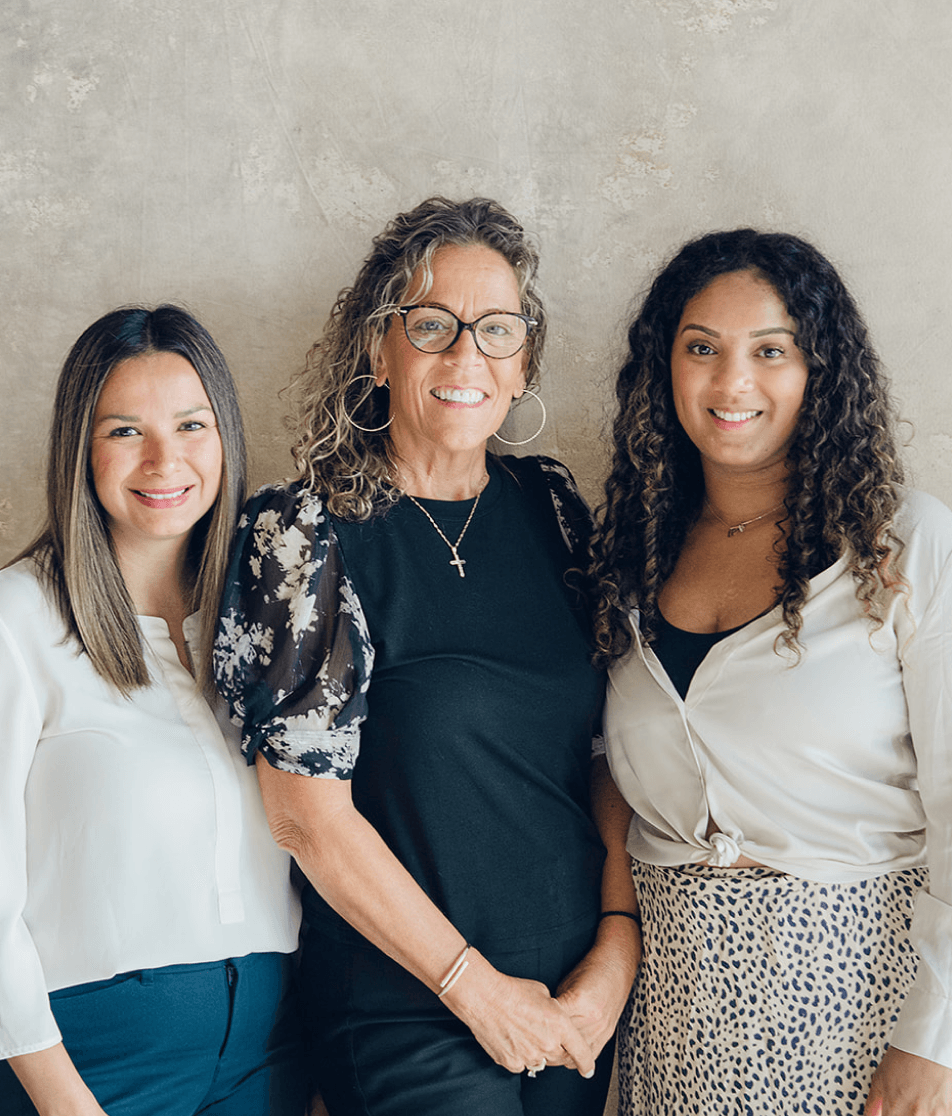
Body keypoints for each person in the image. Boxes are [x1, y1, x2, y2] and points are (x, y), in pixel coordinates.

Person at [214, 196, 639, 1116]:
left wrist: (616, 947)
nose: (464, 357)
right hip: (406, 1008)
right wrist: (474, 991)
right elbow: (305, 820)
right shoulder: (304, 534)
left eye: (496, 329)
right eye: (431, 325)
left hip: (573, 1003)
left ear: (523, 360)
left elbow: (603, 755)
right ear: (377, 348)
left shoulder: (554, 512)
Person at [591, 228, 952, 1115]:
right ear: (664, 366)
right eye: (701, 348)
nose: (731, 383)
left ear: (819, 371)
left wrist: (936, 1042)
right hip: (678, 1012)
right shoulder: (629, 554)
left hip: (862, 1001)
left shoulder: (904, 543)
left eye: (771, 351)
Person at [0, 306, 305, 1116]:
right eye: (126, 430)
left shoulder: (270, 622)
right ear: (81, 450)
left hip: (268, 1058)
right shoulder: (18, 619)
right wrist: (61, 1099)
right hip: (92, 1063)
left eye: (191, 424)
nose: (165, 459)